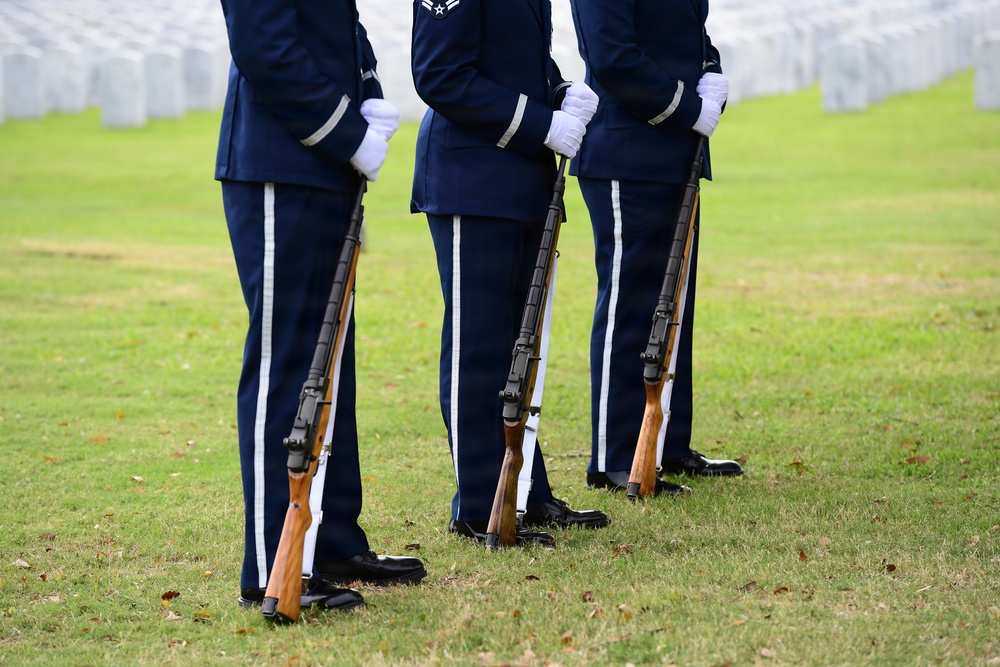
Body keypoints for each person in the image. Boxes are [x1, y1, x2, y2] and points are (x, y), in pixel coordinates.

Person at [216, 0, 427, 612]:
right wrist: (346, 131)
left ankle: (330, 538)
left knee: (330, 364)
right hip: (282, 163)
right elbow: (265, 49)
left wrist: (369, 93)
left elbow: (341, 26)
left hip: (320, 165)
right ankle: (270, 566)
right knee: (290, 364)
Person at [410, 0, 610, 546]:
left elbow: (515, 62)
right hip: (469, 180)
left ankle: (526, 492)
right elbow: (440, 74)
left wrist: (559, 89)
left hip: (521, 180)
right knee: (478, 352)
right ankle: (479, 504)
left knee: (521, 351)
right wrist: (543, 122)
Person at [568, 0, 745, 497]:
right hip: (628, 150)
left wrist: (711, 74)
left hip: (675, 151)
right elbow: (613, 57)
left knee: (673, 306)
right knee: (632, 306)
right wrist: (689, 108)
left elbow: (691, 39)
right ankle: (615, 456)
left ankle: (665, 444)